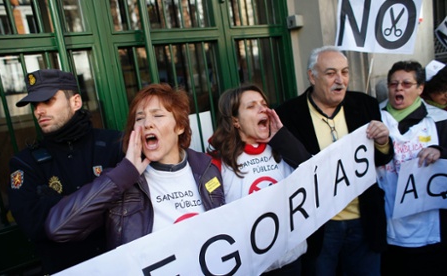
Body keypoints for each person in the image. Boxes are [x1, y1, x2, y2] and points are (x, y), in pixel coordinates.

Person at [45, 83, 225, 252]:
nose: (147, 123)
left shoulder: (206, 169)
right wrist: (123, 175)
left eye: (158, 115)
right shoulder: (123, 183)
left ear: (179, 126)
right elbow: (58, 227)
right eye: (140, 118)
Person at [275, 45, 393, 276]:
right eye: (331, 73)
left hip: (364, 221)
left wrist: (383, 141)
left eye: (345, 72)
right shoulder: (288, 115)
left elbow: (382, 158)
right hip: (319, 227)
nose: (340, 80)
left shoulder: (365, 105)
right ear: (312, 76)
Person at [8, 69, 124, 274]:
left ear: (76, 102)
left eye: (48, 101)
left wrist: (60, 204)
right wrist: (103, 198)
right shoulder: (26, 162)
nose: (39, 111)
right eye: (35, 105)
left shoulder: (112, 143)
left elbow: (132, 207)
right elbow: (35, 225)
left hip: (121, 263)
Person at [208, 84, 312, 275]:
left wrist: (283, 137)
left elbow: (314, 173)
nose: (262, 109)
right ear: (235, 121)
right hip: (251, 268)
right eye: (251, 106)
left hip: (291, 262)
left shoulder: (283, 147)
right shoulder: (217, 162)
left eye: (263, 103)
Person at [377, 60, 447, 276]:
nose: (399, 88)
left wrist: (441, 150)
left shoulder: (440, 121)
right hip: (387, 228)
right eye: (394, 84)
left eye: (407, 84)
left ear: (420, 88)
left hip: (431, 231)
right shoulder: (371, 119)